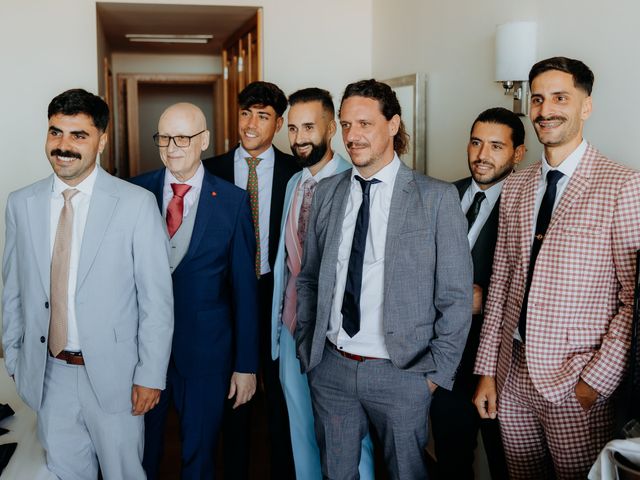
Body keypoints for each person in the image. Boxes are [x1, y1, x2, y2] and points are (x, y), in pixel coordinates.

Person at [296, 79, 472, 480]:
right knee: (336, 474)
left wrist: (432, 376)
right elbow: (308, 278)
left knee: (405, 474)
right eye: (345, 125)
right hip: (332, 366)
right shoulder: (327, 193)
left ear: (393, 124)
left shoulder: (436, 198)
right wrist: (310, 352)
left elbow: (456, 297)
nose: (352, 136)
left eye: (364, 124)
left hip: (402, 372)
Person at [473, 57, 640, 479]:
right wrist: (488, 371)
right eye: (538, 99)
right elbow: (502, 282)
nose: (545, 110)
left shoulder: (622, 185)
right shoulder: (516, 185)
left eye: (560, 98)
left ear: (586, 106)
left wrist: (593, 385)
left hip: (576, 383)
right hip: (512, 377)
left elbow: (633, 299)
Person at [1, 88, 174, 479]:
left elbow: (156, 300)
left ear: (102, 138)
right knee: (64, 473)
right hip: (49, 373)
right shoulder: (20, 203)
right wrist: (15, 355)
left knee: (124, 473)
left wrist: (149, 374)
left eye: (78, 135)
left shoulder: (135, 204)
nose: (64, 146)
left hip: (117, 377)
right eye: (55, 132)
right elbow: (13, 289)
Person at [130, 102, 258, 479]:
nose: (172, 147)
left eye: (183, 138)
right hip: (142, 354)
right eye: (164, 138)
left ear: (203, 140)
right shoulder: (136, 192)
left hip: (206, 354)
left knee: (199, 458)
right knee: (141, 453)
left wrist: (246, 366)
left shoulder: (233, 202)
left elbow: (244, 291)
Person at [270, 87, 375, 479]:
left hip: (335, 338)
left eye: (309, 127)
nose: (299, 138)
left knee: (349, 439)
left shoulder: (355, 182)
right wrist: (279, 330)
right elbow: (287, 265)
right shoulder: (295, 184)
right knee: (302, 434)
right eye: (293, 128)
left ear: (331, 128)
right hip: (290, 330)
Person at [203, 81, 299, 480]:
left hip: (277, 295)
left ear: (278, 124)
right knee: (233, 399)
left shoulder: (297, 173)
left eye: (262, 116)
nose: (251, 124)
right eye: (245, 113)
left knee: (281, 399)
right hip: (226, 298)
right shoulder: (211, 171)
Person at [430, 107, 523, 480]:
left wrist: (492, 299)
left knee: (507, 467)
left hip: (502, 367)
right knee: (452, 463)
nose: (482, 155)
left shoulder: (526, 203)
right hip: (446, 363)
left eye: (496, 146)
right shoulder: (443, 195)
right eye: (476, 142)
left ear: (518, 153)